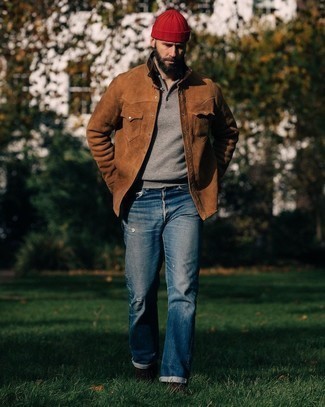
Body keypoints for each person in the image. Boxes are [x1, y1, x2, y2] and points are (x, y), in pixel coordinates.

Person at [86, 8, 239, 392]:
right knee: (140, 293)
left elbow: (228, 133)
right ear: (153, 42)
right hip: (141, 201)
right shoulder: (125, 85)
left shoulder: (207, 89)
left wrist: (210, 173)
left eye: (179, 44)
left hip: (187, 202)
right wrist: (116, 177)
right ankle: (144, 360)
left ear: (186, 46)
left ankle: (175, 376)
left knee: (183, 291)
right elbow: (96, 131)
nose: (172, 51)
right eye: (167, 43)